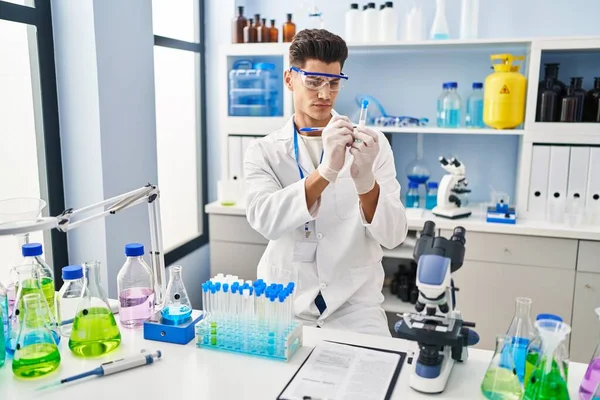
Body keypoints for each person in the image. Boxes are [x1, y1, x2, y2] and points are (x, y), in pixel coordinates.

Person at [243, 29, 408, 337]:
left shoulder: (373, 145)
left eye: (333, 83)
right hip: (283, 303)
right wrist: (327, 170)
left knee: (370, 380)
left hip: (355, 306)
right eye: (313, 81)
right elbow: (265, 220)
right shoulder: (264, 151)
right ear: (290, 79)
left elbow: (394, 235)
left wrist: (366, 182)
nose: (325, 94)